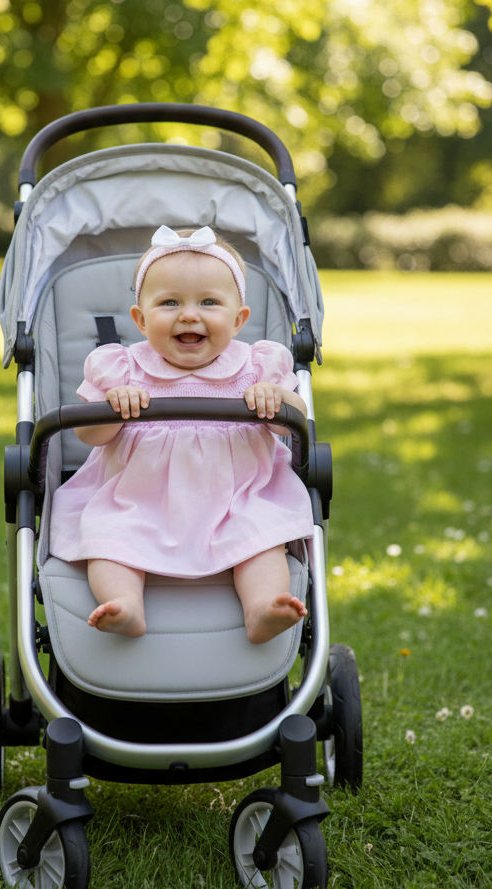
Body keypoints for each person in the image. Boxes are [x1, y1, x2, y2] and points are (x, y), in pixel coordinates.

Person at [50, 225, 314, 644]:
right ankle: (125, 604)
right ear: (139, 319)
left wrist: (278, 399)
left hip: (238, 500)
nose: (189, 314)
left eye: (209, 302)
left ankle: (263, 606)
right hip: (136, 501)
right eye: (169, 302)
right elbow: (90, 436)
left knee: (261, 540)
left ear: (238, 318)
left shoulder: (256, 367)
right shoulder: (121, 369)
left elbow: (298, 426)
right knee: (109, 540)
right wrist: (112, 409)